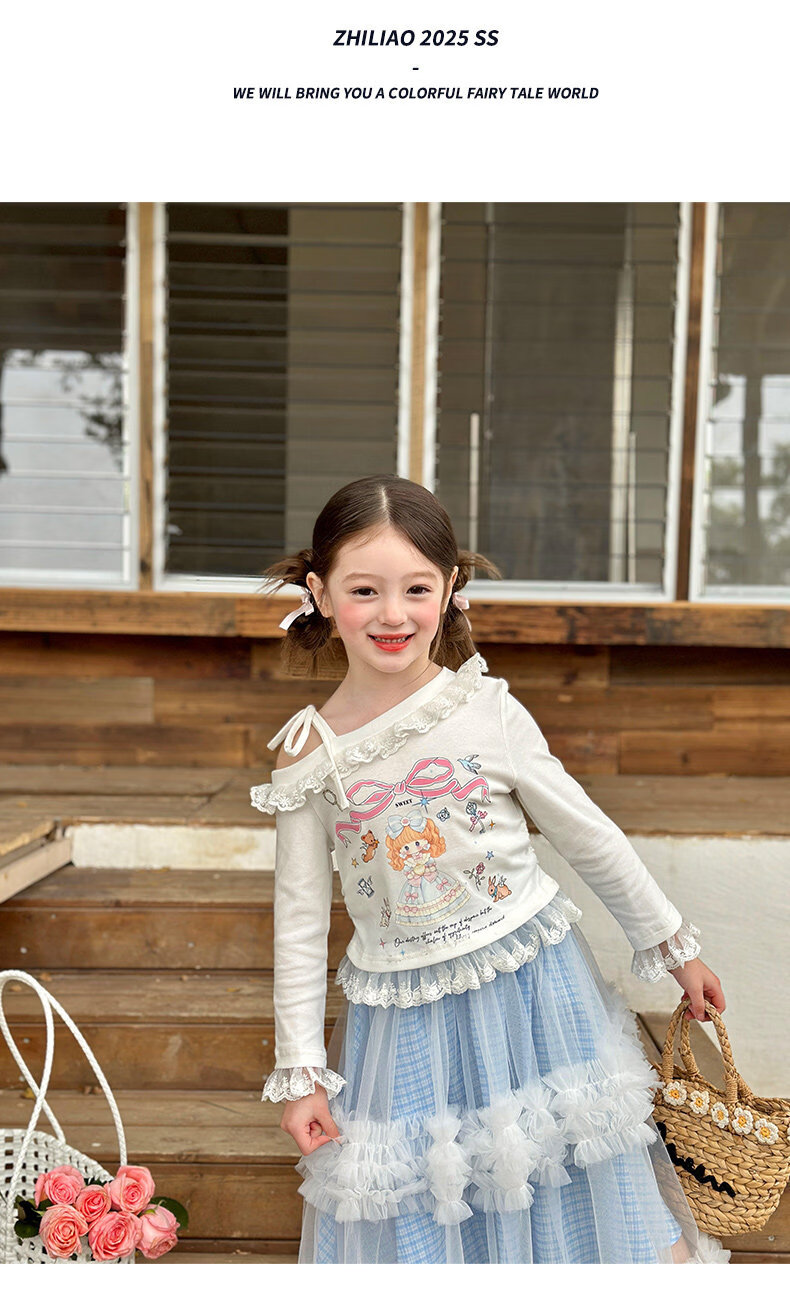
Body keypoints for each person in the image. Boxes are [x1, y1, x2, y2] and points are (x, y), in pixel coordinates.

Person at [250, 473, 730, 1264]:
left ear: (449, 591)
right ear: (322, 595)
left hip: (532, 992)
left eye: (416, 589)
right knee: (437, 1198)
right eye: (365, 590)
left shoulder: (484, 709)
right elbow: (298, 923)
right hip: (404, 1020)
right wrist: (301, 1073)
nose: (393, 614)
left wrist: (672, 945)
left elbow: (588, 834)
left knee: (573, 1180)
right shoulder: (308, 754)